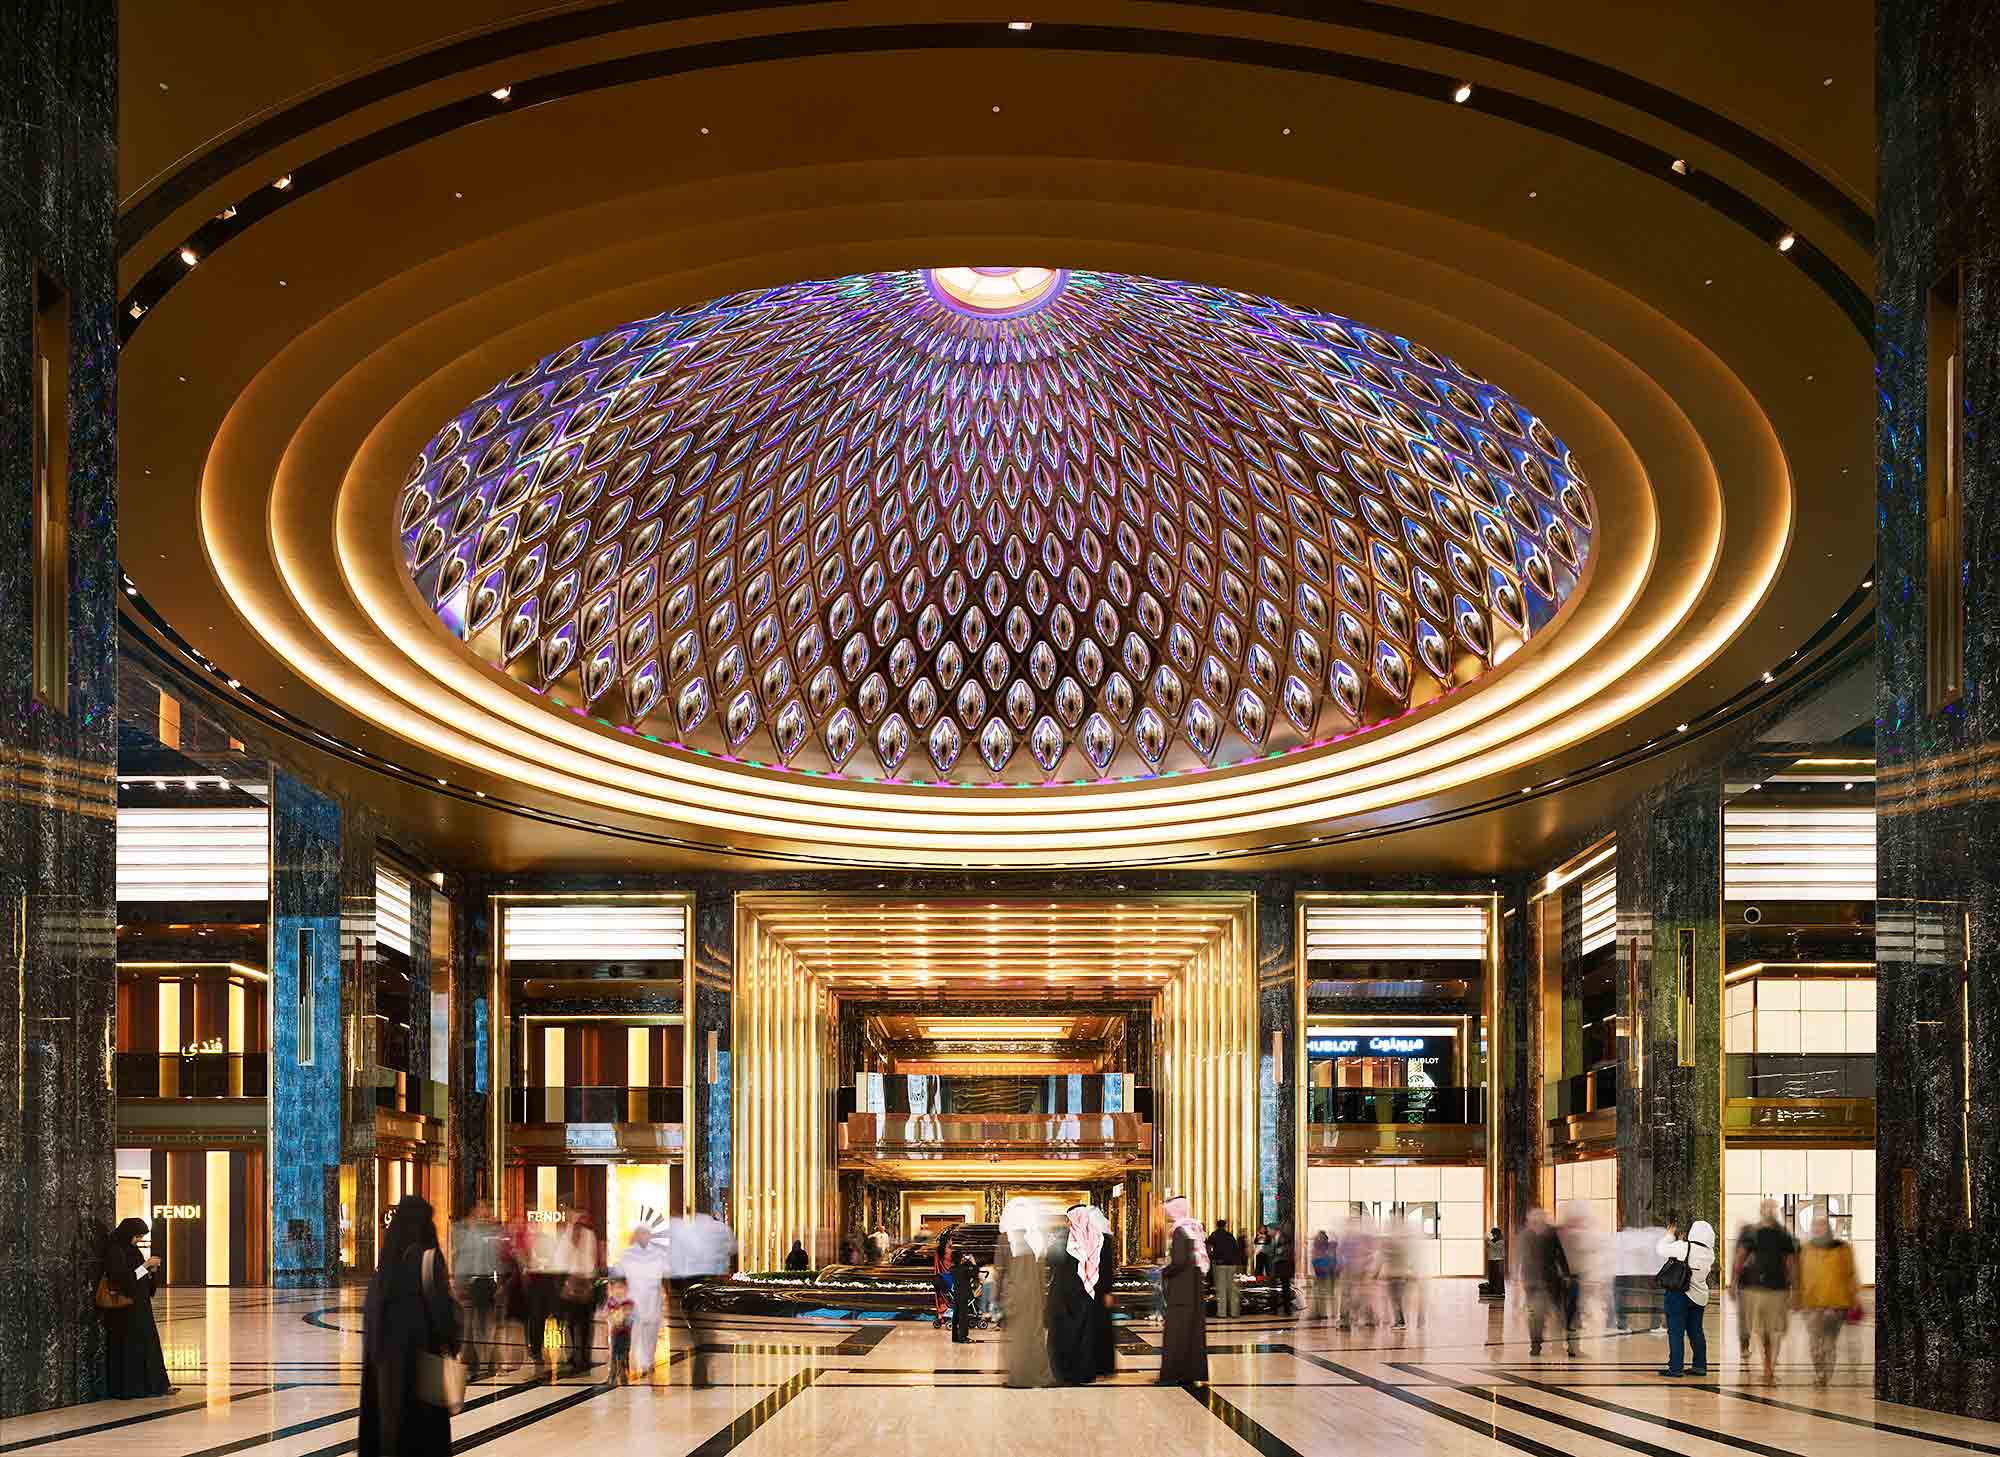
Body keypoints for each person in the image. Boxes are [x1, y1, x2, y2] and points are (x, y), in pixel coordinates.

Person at [360, 1195, 460, 1457]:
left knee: (392, 1430)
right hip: (421, 1362)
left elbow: (372, 1318)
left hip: (387, 1368)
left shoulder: (385, 1266)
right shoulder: (428, 1258)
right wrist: (452, 1343)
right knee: (424, 1432)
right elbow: (442, 1311)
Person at [99, 1218, 173, 1398]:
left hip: (139, 1306)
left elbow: (138, 1276)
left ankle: (153, 1385)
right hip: (125, 1310)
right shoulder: (115, 1251)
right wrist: (145, 1266)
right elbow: (124, 1280)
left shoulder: (131, 1249)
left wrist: (150, 1271)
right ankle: (132, 1387)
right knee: (130, 1347)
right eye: (137, 1236)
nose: (138, 1240)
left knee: (146, 1345)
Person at [666, 1211, 735, 1388]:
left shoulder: (687, 1232)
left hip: (687, 1285)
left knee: (700, 1333)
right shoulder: (718, 1230)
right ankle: (700, 1376)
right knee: (705, 1333)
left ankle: (700, 1374)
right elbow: (732, 1248)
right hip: (705, 1284)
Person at [1047, 1202, 1113, 1384]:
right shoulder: (1096, 1237)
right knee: (1084, 1333)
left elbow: (1052, 1261)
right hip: (1086, 1293)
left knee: (1064, 1333)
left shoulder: (1065, 1238)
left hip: (1064, 1294)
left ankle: (1064, 1371)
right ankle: (1084, 1372)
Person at [1739, 1200, 1799, 1384]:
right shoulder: (1753, 1233)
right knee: (1762, 1330)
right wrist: (1737, 1280)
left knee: (1775, 1330)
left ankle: (1769, 1367)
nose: (1769, 1211)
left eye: (1772, 1208)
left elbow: (1791, 1261)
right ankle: (1767, 1366)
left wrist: (1795, 1287)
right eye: (1766, 1208)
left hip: (1778, 1288)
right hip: (1757, 1288)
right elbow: (1741, 1257)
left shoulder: (1783, 1234)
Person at [1797, 1214, 1859, 1386]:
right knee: (1814, 1344)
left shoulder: (1842, 1249)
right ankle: (1819, 1372)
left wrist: (1853, 1299)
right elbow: (1799, 1274)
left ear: (1828, 1228)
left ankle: (1826, 1374)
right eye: (1815, 1226)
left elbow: (1850, 1274)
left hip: (1836, 1304)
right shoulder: (1806, 1249)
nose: (1817, 1229)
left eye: (1821, 1226)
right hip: (1811, 1304)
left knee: (1829, 1343)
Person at [997, 1198, 1054, 1387]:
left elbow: (1000, 1271)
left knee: (1019, 1338)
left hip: (1015, 1296)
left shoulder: (1006, 1238)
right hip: (1036, 1296)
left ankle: (1019, 1379)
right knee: (1036, 1336)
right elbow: (1042, 1272)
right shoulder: (1037, 1238)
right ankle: (1040, 1376)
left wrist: (998, 1298)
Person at [1156, 1192, 1210, 1386]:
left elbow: (1179, 1261)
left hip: (1181, 1288)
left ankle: (1171, 1375)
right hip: (1194, 1286)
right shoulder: (1194, 1227)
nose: (1168, 1214)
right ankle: (1191, 1372)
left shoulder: (1180, 1230)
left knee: (1177, 1332)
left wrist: (1164, 1271)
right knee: (1193, 1331)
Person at [1654, 1218, 1716, 1378]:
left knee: (1676, 1332)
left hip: (1679, 1295)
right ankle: (1699, 1366)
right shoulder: (1710, 1253)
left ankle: (1675, 1368)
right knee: (1696, 1332)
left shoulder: (1684, 1248)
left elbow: (1661, 1249)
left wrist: (1669, 1235)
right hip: (1699, 1297)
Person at [450, 1199, 502, 1380]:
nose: (483, 1211)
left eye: (485, 1207)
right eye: (480, 1207)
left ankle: (484, 1362)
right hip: (470, 1281)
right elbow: (460, 1256)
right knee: (469, 1326)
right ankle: (473, 1363)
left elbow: (494, 1257)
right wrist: (459, 1281)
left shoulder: (487, 1231)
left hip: (484, 1281)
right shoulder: (462, 1230)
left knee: (482, 1325)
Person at [1516, 1207, 1576, 1357]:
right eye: (1534, 1220)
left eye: (1540, 1219)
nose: (1537, 1222)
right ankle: (1535, 1343)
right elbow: (1518, 1257)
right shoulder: (1525, 1235)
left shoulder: (1550, 1233)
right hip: (1531, 1282)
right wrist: (1517, 1278)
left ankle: (1557, 1342)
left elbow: (1559, 1254)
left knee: (1556, 1311)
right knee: (1533, 1314)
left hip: (1551, 1280)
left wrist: (1566, 1274)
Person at [616, 1221, 671, 1382]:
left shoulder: (658, 1253)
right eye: (641, 1233)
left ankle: (648, 1361)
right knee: (637, 1332)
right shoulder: (628, 1254)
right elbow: (620, 1275)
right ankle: (640, 1361)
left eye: (646, 1233)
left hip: (653, 1298)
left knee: (651, 1332)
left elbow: (666, 1273)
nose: (644, 1237)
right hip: (635, 1298)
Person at [556, 1213, 599, 1376]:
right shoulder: (566, 1237)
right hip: (571, 1282)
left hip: (586, 1281)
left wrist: (589, 1280)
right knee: (572, 1322)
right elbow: (561, 1259)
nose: (579, 1227)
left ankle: (584, 1355)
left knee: (586, 1322)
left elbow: (593, 1259)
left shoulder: (589, 1236)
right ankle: (575, 1354)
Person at [1729, 1222, 1757, 1360]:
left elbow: (1735, 1267)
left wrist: (1733, 1284)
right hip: (1752, 1287)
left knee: (1745, 1319)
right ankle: (1746, 1346)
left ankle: (1744, 1347)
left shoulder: (1742, 1248)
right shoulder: (1752, 1249)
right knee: (1748, 1319)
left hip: (1746, 1287)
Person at [1206, 1218, 1243, 1320]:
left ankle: (1222, 1313)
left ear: (1217, 1225)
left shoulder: (1214, 1235)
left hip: (1220, 1264)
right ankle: (1234, 1312)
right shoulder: (1230, 1236)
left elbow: (1209, 1248)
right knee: (1232, 1288)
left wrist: (1212, 1258)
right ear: (1225, 1225)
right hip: (1232, 1264)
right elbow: (1236, 1250)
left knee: (1221, 1289)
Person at [600, 1275, 635, 1384]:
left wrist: (625, 1316)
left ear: (626, 1288)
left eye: (621, 1287)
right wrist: (608, 1316)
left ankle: (623, 1371)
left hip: (625, 1332)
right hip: (614, 1331)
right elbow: (606, 1313)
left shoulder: (628, 1302)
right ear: (612, 1289)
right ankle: (613, 1374)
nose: (618, 1291)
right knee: (613, 1353)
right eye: (616, 1288)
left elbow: (631, 1316)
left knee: (624, 1352)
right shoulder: (611, 1302)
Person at [950, 1246, 978, 1343]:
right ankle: (963, 1337)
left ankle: (955, 1337)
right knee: (963, 1316)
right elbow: (974, 1273)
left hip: (956, 1295)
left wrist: (965, 1261)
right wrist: (973, 1262)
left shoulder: (953, 1269)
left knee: (956, 1316)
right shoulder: (964, 1270)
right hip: (963, 1295)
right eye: (962, 1256)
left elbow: (963, 1268)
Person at [1309, 1231, 1337, 1321]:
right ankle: (1327, 1313)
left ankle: (1324, 1313)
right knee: (1326, 1294)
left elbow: (1314, 1260)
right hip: (1324, 1273)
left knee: (1322, 1294)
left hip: (1323, 1273)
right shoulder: (1324, 1248)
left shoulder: (1319, 1248)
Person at [1269, 1226, 1296, 1316]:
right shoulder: (1274, 1239)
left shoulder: (1284, 1238)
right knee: (1274, 1288)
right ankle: (1275, 1309)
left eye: (1269, 1230)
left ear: (1274, 1230)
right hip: (1276, 1266)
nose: (1268, 1232)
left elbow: (1287, 1250)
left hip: (1284, 1266)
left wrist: (1279, 1252)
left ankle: (1287, 1309)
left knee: (1285, 1288)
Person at [1483, 1226, 1506, 1299]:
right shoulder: (1492, 1240)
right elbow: (1489, 1249)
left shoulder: (1501, 1241)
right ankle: (1492, 1290)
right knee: (1492, 1276)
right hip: (1491, 1260)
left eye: (1494, 1234)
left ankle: (1499, 1291)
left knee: (1498, 1276)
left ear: (1497, 1234)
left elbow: (1496, 1247)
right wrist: (1487, 1245)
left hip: (1498, 1260)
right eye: (1492, 1234)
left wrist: (1489, 1241)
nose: (1493, 1235)